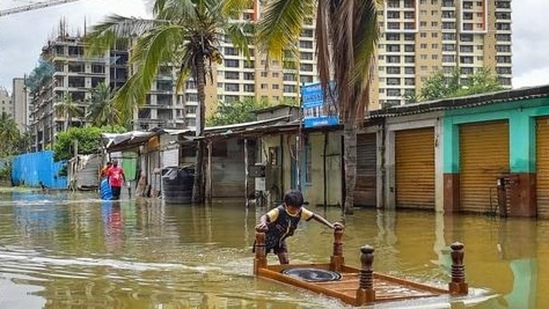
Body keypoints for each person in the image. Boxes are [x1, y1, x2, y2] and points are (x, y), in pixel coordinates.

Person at [254, 190, 343, 264]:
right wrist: (263, 223)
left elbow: (315, 216)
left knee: (285, 262)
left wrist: (330, 225)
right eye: (292, 209)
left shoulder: (300, 211)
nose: (295, 211)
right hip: (267, 238)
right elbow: (265, 217)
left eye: (298, 208)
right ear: (286, 205)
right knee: (261, 262)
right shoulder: (279, 211)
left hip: (281, 239)